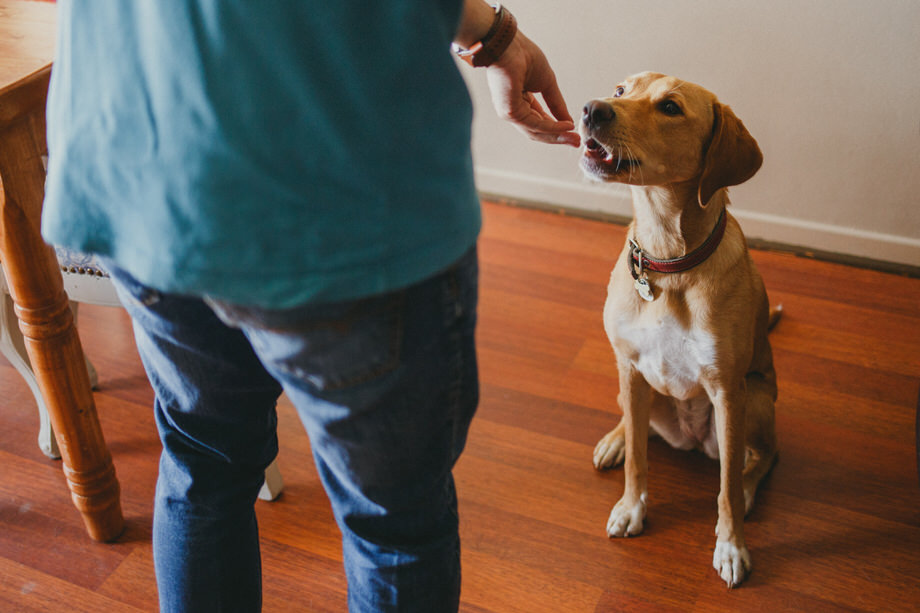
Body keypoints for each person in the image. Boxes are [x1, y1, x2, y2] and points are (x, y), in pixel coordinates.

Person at [42, 1, 579, 611]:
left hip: (134, 154)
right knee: (394, 526)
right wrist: (490, 31)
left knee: (203, 465)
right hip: (335, 182)